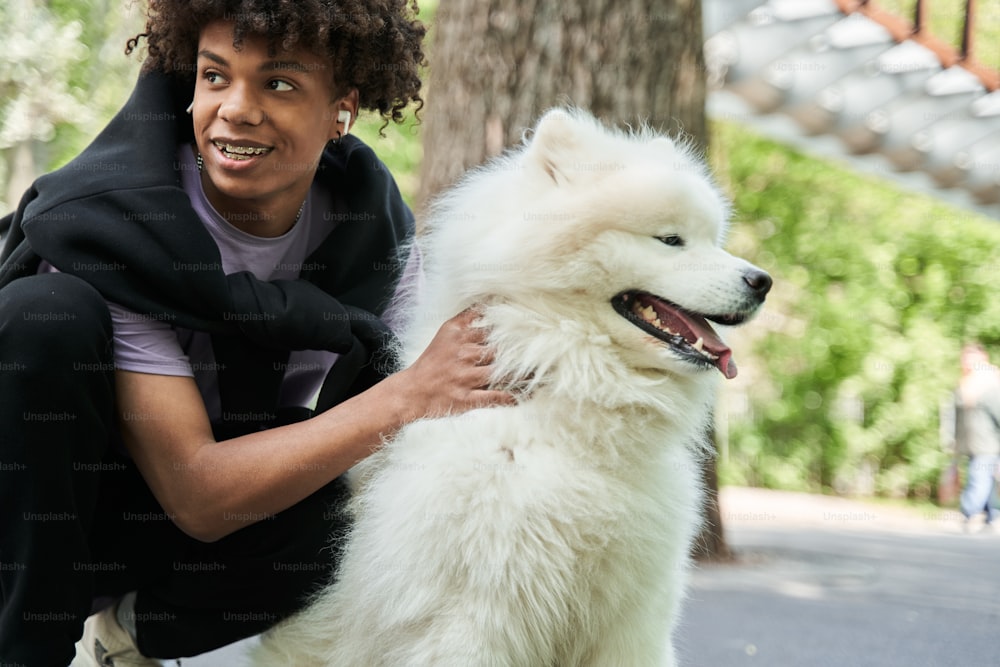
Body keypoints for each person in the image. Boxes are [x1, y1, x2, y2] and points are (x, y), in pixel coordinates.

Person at [0, 1, 515, 665]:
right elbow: (198, 492)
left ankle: (131, 632)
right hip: (58, 512)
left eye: (278, 84)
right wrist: (409, 394)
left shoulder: (369, 226)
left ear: (341, 111)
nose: (236, 109)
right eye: (215, 77)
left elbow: (434, 407)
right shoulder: (118, 225)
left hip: (194, 524)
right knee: (45, 315)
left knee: (364, 490)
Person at [949, 342, 1000, 531]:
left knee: (978, 478)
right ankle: (992, 517)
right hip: (970, 445)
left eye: (972, 358)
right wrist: (954, 442)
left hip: (988, 445)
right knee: (985, 479)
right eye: (965, 358)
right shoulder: (964, 385)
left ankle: (968, 514)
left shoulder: (990, 385)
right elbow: (957, 419)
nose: (967, 362)